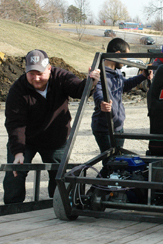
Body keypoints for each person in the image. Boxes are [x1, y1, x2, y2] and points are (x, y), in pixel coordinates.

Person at [3, 49, 100, 204]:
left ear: (49, 68)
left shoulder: (61, 77)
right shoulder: (18, 90)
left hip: (56, 138)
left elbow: (78, 89)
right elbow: (15, 123)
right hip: (26, 139)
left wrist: (91, 82)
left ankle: (57, 206)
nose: (36, 78)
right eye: (31, 73)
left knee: (60, 174)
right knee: (15, 172)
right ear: (25, 71)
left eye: (40, 73)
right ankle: (12, 209)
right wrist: (18, 152)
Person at [91, 38, 153, 177]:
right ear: (117, 53)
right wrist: (102, 103)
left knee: (117, 163)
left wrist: (142, 76)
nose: (126, 60)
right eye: (125, 56)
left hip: (118, 126)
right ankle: (94, 191)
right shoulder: (100, 73)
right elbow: (98, 92)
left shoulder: (116, 72)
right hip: (104, 128)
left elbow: (123, 86)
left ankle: (111, 192)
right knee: (110, 164)